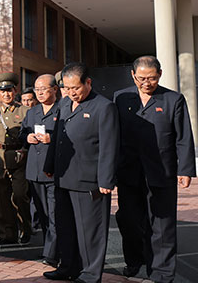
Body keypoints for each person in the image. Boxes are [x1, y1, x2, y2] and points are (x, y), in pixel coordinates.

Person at [114, 56, 196, 282]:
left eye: (151, 78)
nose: (146, 83)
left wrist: (186, 169)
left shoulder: (173, 99)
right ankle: (134, 262)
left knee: (162, 225)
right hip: (128, 171)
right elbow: (113, 134)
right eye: (141, 78)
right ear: (133, 76)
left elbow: (183, 136)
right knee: (129, 220)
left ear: (159, 75)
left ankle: (162, 271)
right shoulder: (121, 98)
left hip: (162, 171)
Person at [43, 62, 119, 283]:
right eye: (66, 88)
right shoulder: (65, 103)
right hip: (63, 178)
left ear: (88, 82)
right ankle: (67, 266)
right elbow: (57, 138)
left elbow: (109, 145)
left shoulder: (104, 107)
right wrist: (49, 166)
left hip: (89, 181)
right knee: (65, 227)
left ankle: (90, 273)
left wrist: (106, 179)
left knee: (90, 231)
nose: (71, 93)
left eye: (75, 88)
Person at [0, 72, 32, 245]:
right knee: (3, 199)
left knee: (20, 196)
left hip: (20, 160)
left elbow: (30, 136)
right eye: (2, 91)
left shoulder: (25, 111)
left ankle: (25, 229)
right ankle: (7, 235)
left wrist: (24, 150)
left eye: (9, 90)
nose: (6, 94)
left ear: (15, 91)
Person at [20, 74, 59, 267]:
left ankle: (53, 255)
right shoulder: (32, 112)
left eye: (44, 89)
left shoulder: (63, 109)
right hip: (34, 170)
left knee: (54, 214)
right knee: (42, 214)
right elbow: (22, 133)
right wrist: (27, 138)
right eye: (37, 89)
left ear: (55, 89)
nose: (40, 93)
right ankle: (48, 248)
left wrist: (51, 139)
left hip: (52, 170)